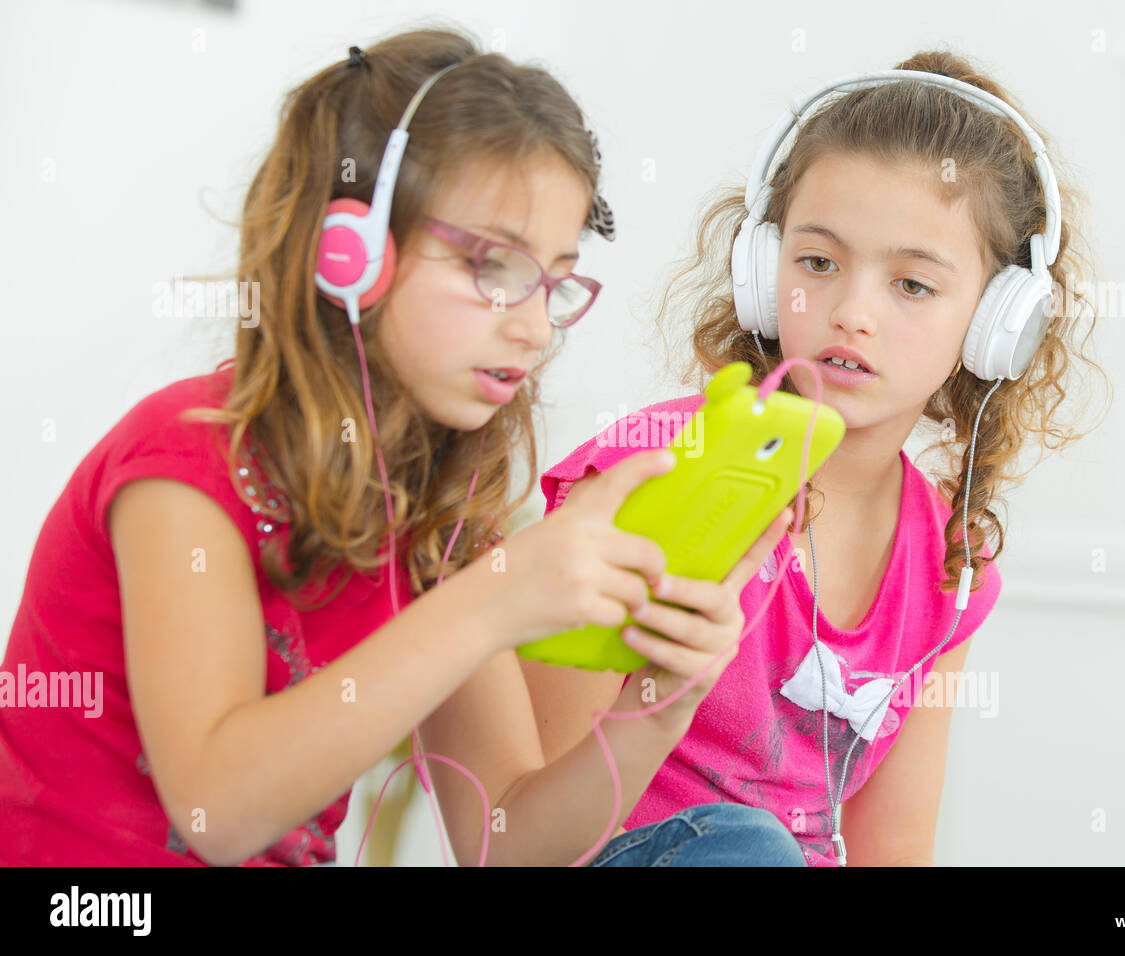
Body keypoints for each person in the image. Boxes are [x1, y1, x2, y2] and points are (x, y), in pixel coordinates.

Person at [0, 27, 803, 867]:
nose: (533, 327)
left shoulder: (439, 525)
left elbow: (507, 843)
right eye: (492, 267)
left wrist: (660, 700)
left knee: (738, 843)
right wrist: (495, 598)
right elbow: (219, 811)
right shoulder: (186, 464)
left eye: (555, 281)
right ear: (353, 257)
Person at [527, 50, 1109, 866]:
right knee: (747, 846)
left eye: (912, 285)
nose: (852, 312)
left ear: (997, 326)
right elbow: (544, 827)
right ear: (765, 273)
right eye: (818, 263)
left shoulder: (949, 566)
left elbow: (893, 848)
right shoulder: (649, 466)